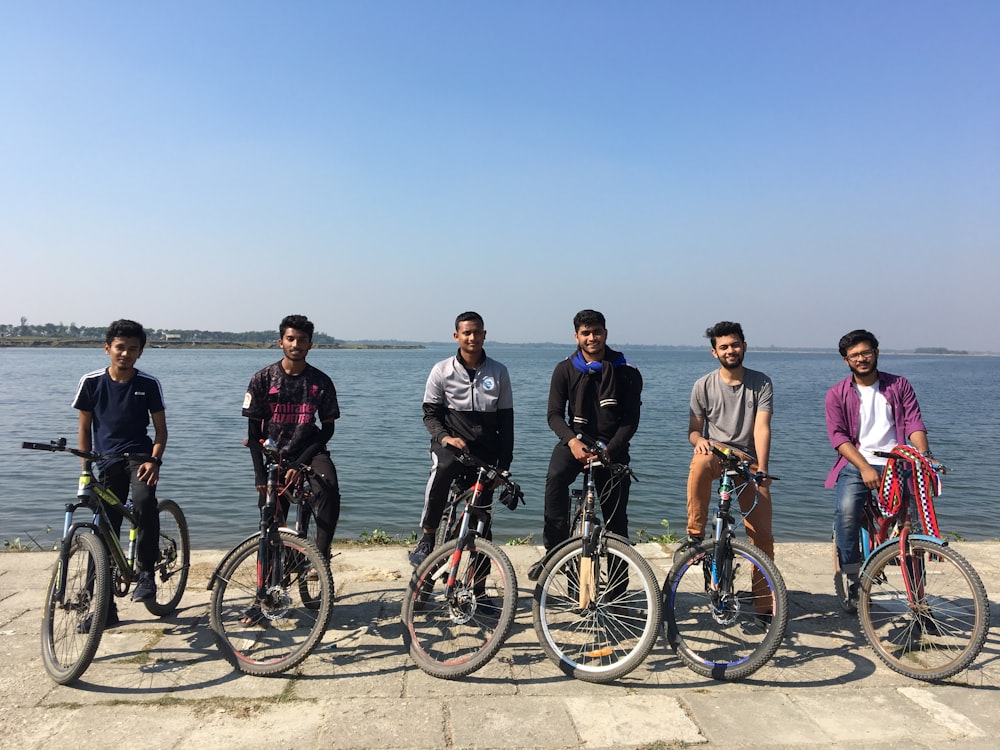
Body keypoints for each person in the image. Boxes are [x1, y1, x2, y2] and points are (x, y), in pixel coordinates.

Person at [825, 329, 929, 607]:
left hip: (899, 463)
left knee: (913, 527)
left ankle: (919, 596)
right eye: (854, 355)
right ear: (846, 361)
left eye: (866, 352)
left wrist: (923, 458)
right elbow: (839, 438)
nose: (861, 359)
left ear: (876, 353)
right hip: (857, 464)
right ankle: (852, 580)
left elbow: (914, 424)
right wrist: (864, 468)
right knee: (846, 514)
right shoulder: (837, 394)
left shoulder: (899, 385)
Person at [73, 319, 167, 624]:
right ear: (107, 348)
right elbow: (84, 428)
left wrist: (154, 461)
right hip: (107, 460)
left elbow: (161, 432)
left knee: (143, 502)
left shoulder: (148, 384)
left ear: (140, 352)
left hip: (140, 457)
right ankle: (101, 608)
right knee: (102, 529)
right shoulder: (92, 382)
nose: (125, 353)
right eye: (120, 347)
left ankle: (146, 573)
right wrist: (86, 466)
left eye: (133, 349)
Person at [409, 311, 514, 567]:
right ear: (456, 336)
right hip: (450, 446)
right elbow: (430, 416)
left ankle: (478, 587)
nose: (472, 337)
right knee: (442, 469)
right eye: (466, 332)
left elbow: (507, 424)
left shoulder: (499, 372)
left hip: (485, 451)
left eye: (477, 332)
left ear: (485, 335)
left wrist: (504, 466)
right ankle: (428, 535)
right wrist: (445, 438)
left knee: (482, 519)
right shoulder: (442, 370)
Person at [242, 314, 341, 562]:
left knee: (329, 489)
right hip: (274, 451)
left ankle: (320, 554)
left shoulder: (321, 382)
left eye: (302, 340)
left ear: (310, 344)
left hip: (311, 449)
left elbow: (327, 428)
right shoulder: (262, 379)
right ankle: (271, 574)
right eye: (290, 339)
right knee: (271, 517)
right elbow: (253, 433)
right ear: (280, 342)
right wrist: (259, 475)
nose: (296, 345)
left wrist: (300, 464)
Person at [543, 309, 642, 550]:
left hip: (612, 446)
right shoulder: (564, 369)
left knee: (616, 518)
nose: (592, 338)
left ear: (605, 333)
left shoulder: (626, 371)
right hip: (576, 440)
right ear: (576, 336)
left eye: (597, 332)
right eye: (585, 333)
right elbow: (554, 415)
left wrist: (609, 450)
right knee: (555, 480)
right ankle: (554, 552)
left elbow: (630, 421)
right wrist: (572, 442)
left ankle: (618, 584)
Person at [679, 321, 774, 563]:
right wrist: (699, 440)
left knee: (762, 533)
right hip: (716, 453)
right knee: (700, 462)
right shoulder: (703, 385)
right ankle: (694, 536)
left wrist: (763, 467)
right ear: (715, 352)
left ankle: (765, 599)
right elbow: (693, 431)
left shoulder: (761, 383)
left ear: (744, 346)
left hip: (748, 459)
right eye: (723, 347)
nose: (730, 351)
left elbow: (762, 427)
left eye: (734, 345)